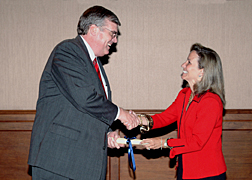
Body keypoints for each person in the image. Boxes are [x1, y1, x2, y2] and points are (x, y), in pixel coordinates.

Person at [28, 5, 139, 180]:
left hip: (83, 163)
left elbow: (88, 110)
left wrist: (108, 131)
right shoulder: (67, 51)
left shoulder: (95, 64)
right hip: (59, 161)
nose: (115, 40)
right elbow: (85, 98)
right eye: (113, 33)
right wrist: (121, 114)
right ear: (94, 30)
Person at [139, 43, 227, 179]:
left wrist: (164, 143)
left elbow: (197, 141)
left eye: (189, 62)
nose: (183, 65)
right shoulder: (184, 95)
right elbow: (165, 118)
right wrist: (138, 120)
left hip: (207, 173)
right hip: (186, 169)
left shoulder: (211, 102)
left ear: (202, 72)